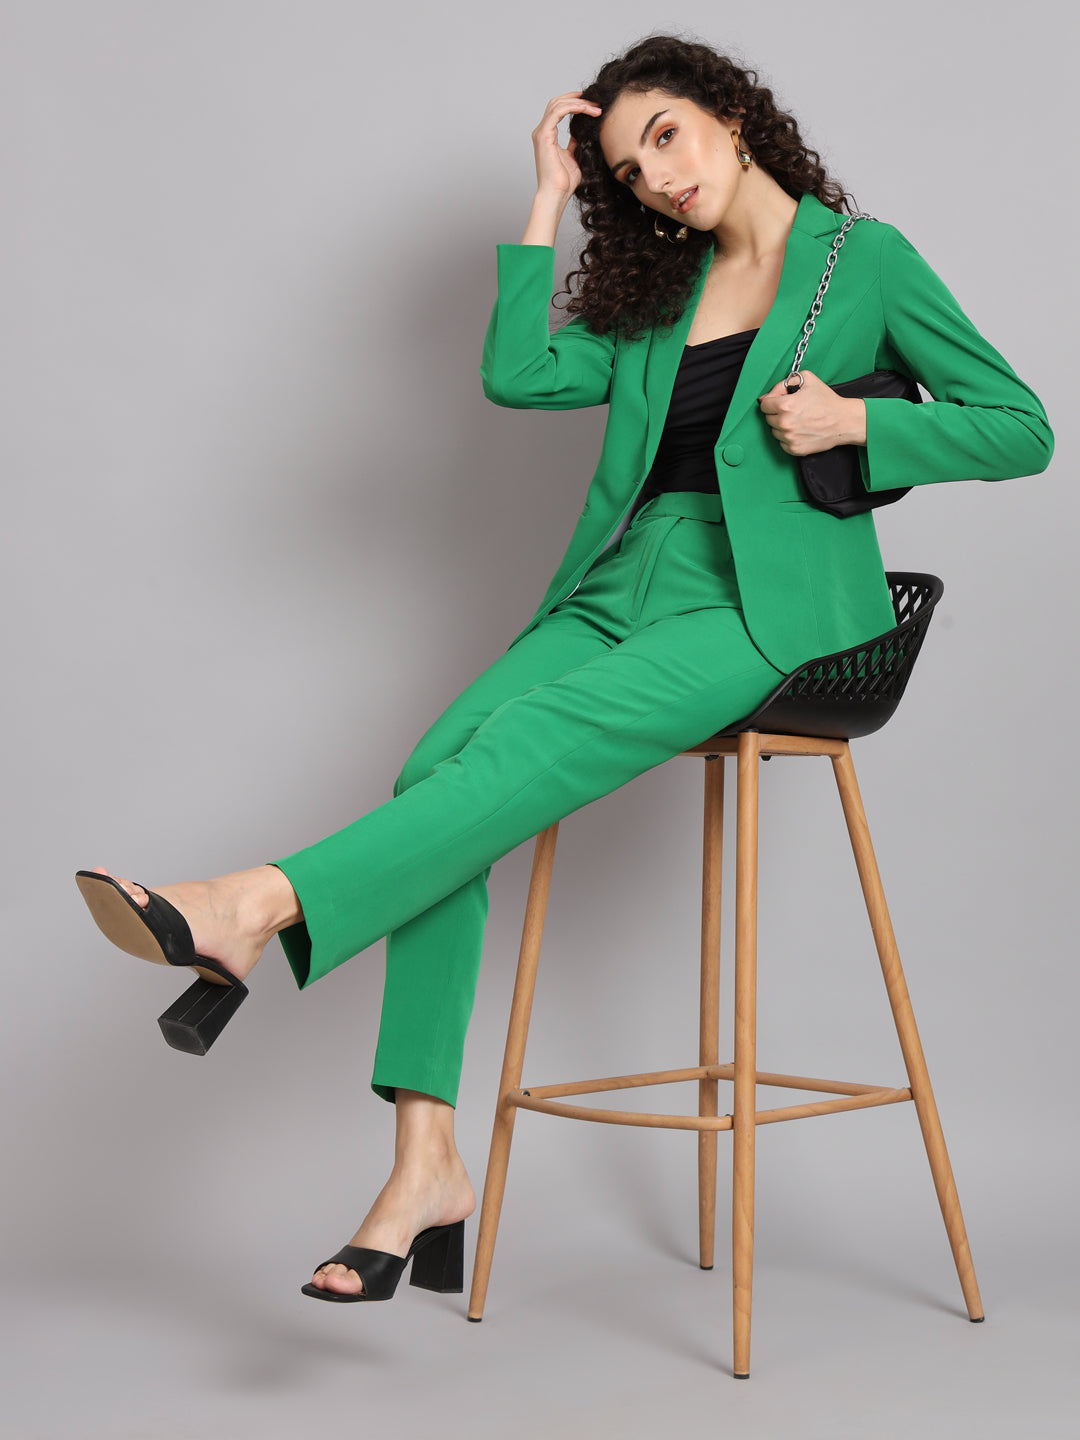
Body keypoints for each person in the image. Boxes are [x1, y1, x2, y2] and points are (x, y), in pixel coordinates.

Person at [75, 35, 1054, 1304]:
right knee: (438, 768)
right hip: (619, 583)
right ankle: (426, 1164)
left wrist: (858, 419)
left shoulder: (862, 261)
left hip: (762, 605)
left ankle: (252, 904)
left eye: (665, 136)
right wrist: (546, 196)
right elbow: (517, 373)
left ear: (732, 115)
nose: (656, 178)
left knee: (519, 754)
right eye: (627, 170)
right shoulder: (663, 291)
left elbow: (1021, 426)